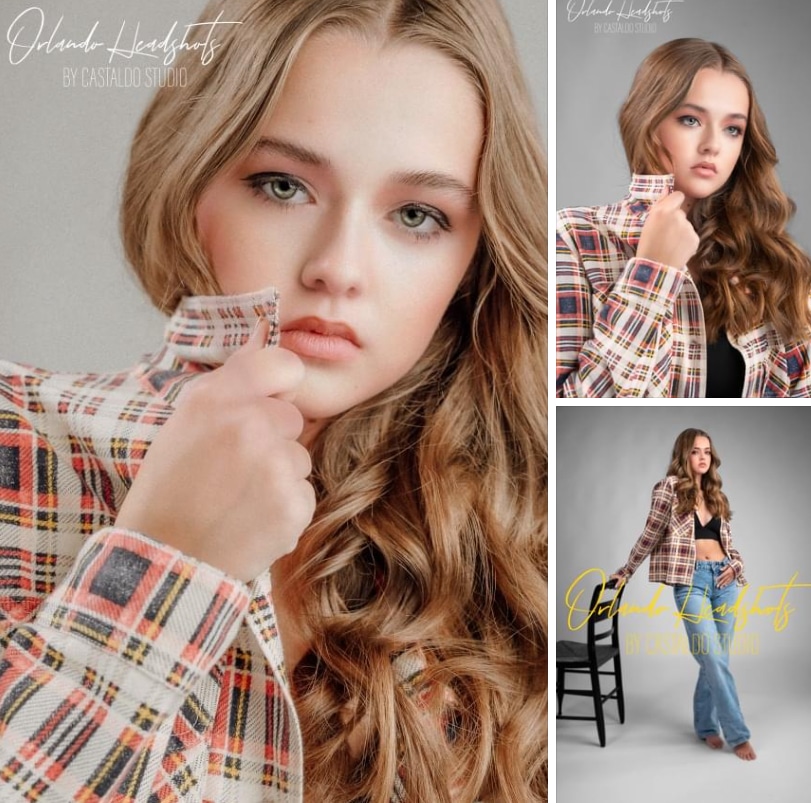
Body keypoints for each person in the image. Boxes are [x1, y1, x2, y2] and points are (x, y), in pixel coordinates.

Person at [0, 0, 548, 801]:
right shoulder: (22, 445)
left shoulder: (520, 529)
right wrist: (167, 558)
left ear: (474, 255)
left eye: (417, 215)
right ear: (194, 186)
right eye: (283, 185)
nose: (338, 267)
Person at [556, 37, 811, 397]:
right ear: (648, 122)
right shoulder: (575, 238)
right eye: (690, 120)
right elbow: (564, 407)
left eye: (733, 129)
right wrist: (651, 273)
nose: (713, 144)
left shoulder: (775, 259)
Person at [609, 428, 755, 761]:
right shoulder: (668, 489)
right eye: (695, 451)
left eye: (707, 451)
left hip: (725, 581)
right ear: (683, 454)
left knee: (717, 657)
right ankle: (738, 734)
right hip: (690, 581)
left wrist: (737, 565)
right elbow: (650, 534)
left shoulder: (717, 494)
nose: (702, 457)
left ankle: (705, 726)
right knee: (712, 655)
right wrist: (627, 570)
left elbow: (729, 544)